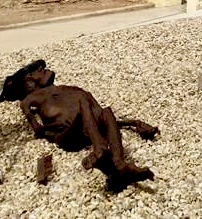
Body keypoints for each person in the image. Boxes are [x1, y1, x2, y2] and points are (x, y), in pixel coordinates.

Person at [0, 59, 158, 192]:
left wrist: (134, 123)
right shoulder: (29, 100)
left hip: (89, 128)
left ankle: (119, 165)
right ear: (29, 78)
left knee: (106, 111)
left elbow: (96, 113)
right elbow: (38, 131)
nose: (46, 70)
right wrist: (53, 126)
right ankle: (101, 149)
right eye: (41, 70)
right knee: (84, 102)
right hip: (68, 134)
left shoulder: (70, 89)